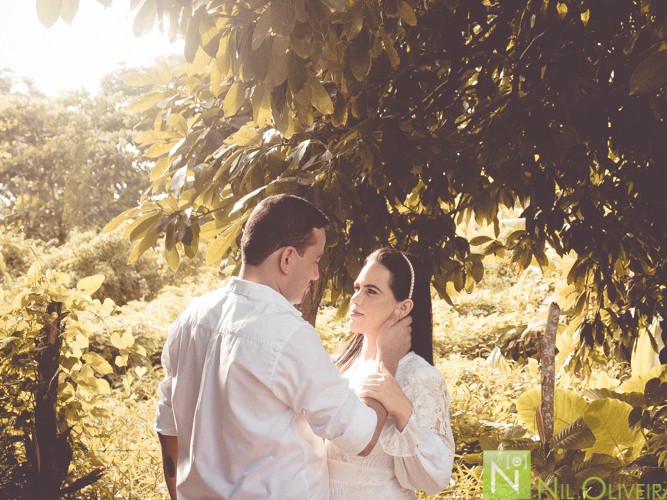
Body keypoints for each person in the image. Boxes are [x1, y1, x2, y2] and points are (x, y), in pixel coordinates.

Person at [154, 195, 408, 500]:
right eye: (314, 261)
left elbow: (168, 428)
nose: (316, 274)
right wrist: (388, 360)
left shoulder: (191, 318)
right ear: (287, 259)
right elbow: (362, 436)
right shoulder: (288, 334)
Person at [326, 248, 454, 499]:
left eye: (371, 291)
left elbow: (434, 478)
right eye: (357, 288)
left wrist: (404, 413)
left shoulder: (420, 376)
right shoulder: (338, 365)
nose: (356, 299)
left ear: (403, 307)